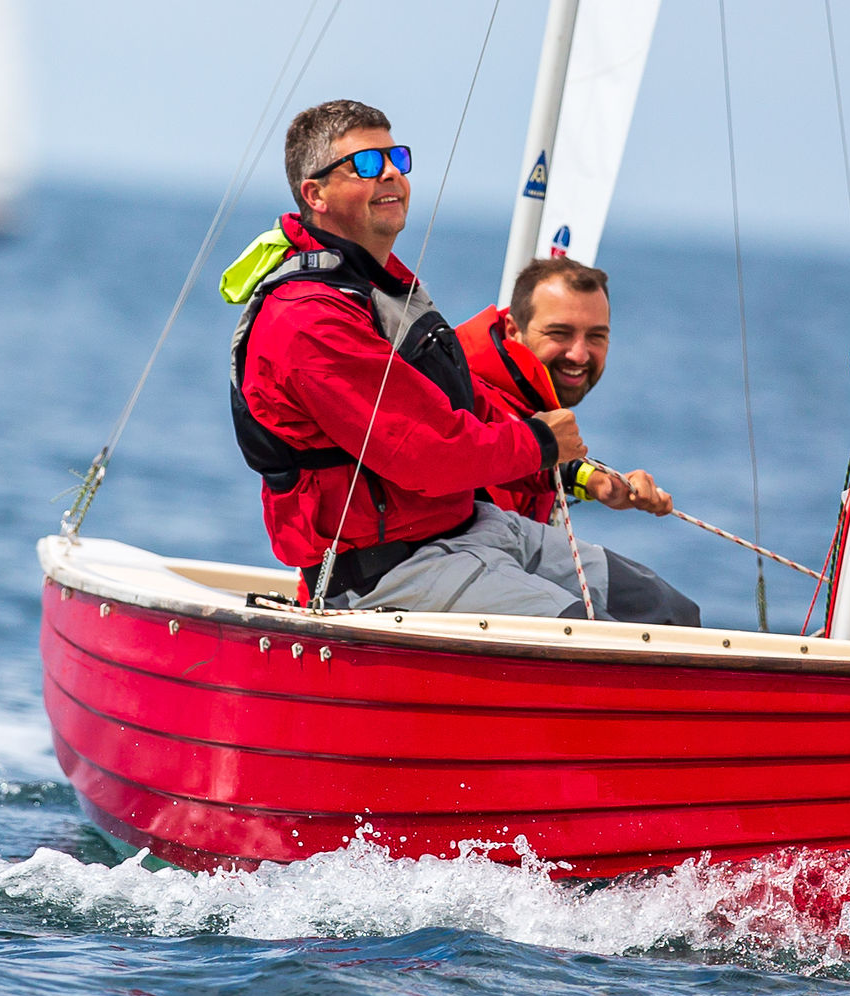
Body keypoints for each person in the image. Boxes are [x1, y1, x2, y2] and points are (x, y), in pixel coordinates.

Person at [224, 99, 698, 625]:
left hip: (472, 528)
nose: (390, 173)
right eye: (365, 164)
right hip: (390, 571)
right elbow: (424, 454)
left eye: (396, 158)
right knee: (593, 640)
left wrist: (574, 472)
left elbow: (467, 409)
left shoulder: (379, 289)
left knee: (668, 612)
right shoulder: (307, 319)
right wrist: (542, 443)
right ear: (316, 194)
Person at [457, 258, 704, 627]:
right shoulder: (462, 389)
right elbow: (499, 444)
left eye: (596, 336)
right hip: (452, 573)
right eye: (560, 333)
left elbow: (537, 455)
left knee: (674, 615)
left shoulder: (532, 402)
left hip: (512, 564)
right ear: (513, 329)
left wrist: (601, 481)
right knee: (604, 631)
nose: (579, 354)